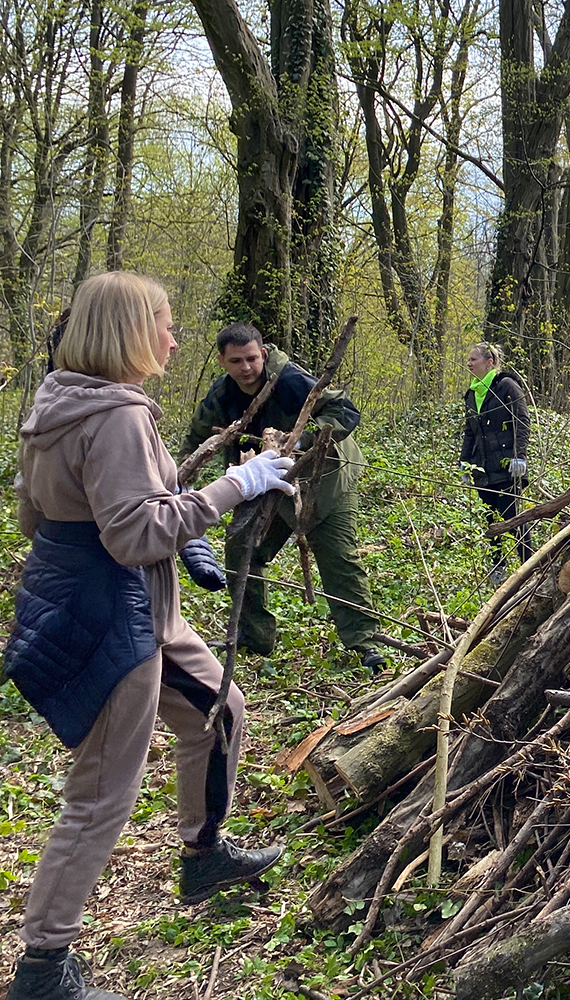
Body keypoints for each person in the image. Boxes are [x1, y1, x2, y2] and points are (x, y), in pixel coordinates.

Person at [3, 272, 290, 1000]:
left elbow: (35, 518)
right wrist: (239, 485)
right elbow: (133, 534)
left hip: (138, 606)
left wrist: (184, 542)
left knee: (216, 712)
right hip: (108, 615)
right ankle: (42, 967)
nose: (173, 337)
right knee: (100, 795)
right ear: (129, 332)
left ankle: (203, 854)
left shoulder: (63, 402)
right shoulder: (114, 416)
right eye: (163, 324)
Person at [178, 324, 386, 671]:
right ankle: (254, 637)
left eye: (250, 359)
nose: (245, 368)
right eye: (235, 361)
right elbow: (197, 437)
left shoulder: (290, 381)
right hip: (265, 481)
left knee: (337, 557)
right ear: (222, 361)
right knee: (242, 547)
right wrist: (179, 478)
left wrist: (301, 440)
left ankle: (365, 645)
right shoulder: (221, 394)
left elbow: (345, 412)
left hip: (325, 478)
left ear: (262, 353)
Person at [460, 343, 532, 579]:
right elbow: (470, 432)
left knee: (513, 518)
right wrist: (464, 461)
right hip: (482, 470)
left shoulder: (506, 386)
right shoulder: (471, 394)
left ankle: (530, 567)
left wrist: (519, 456)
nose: (469, 364)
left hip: (507, 468)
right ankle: (497, 569)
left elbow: (522, 420)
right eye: (469, 360)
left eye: (474, 359)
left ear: (489, 362)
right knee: (490, 519)